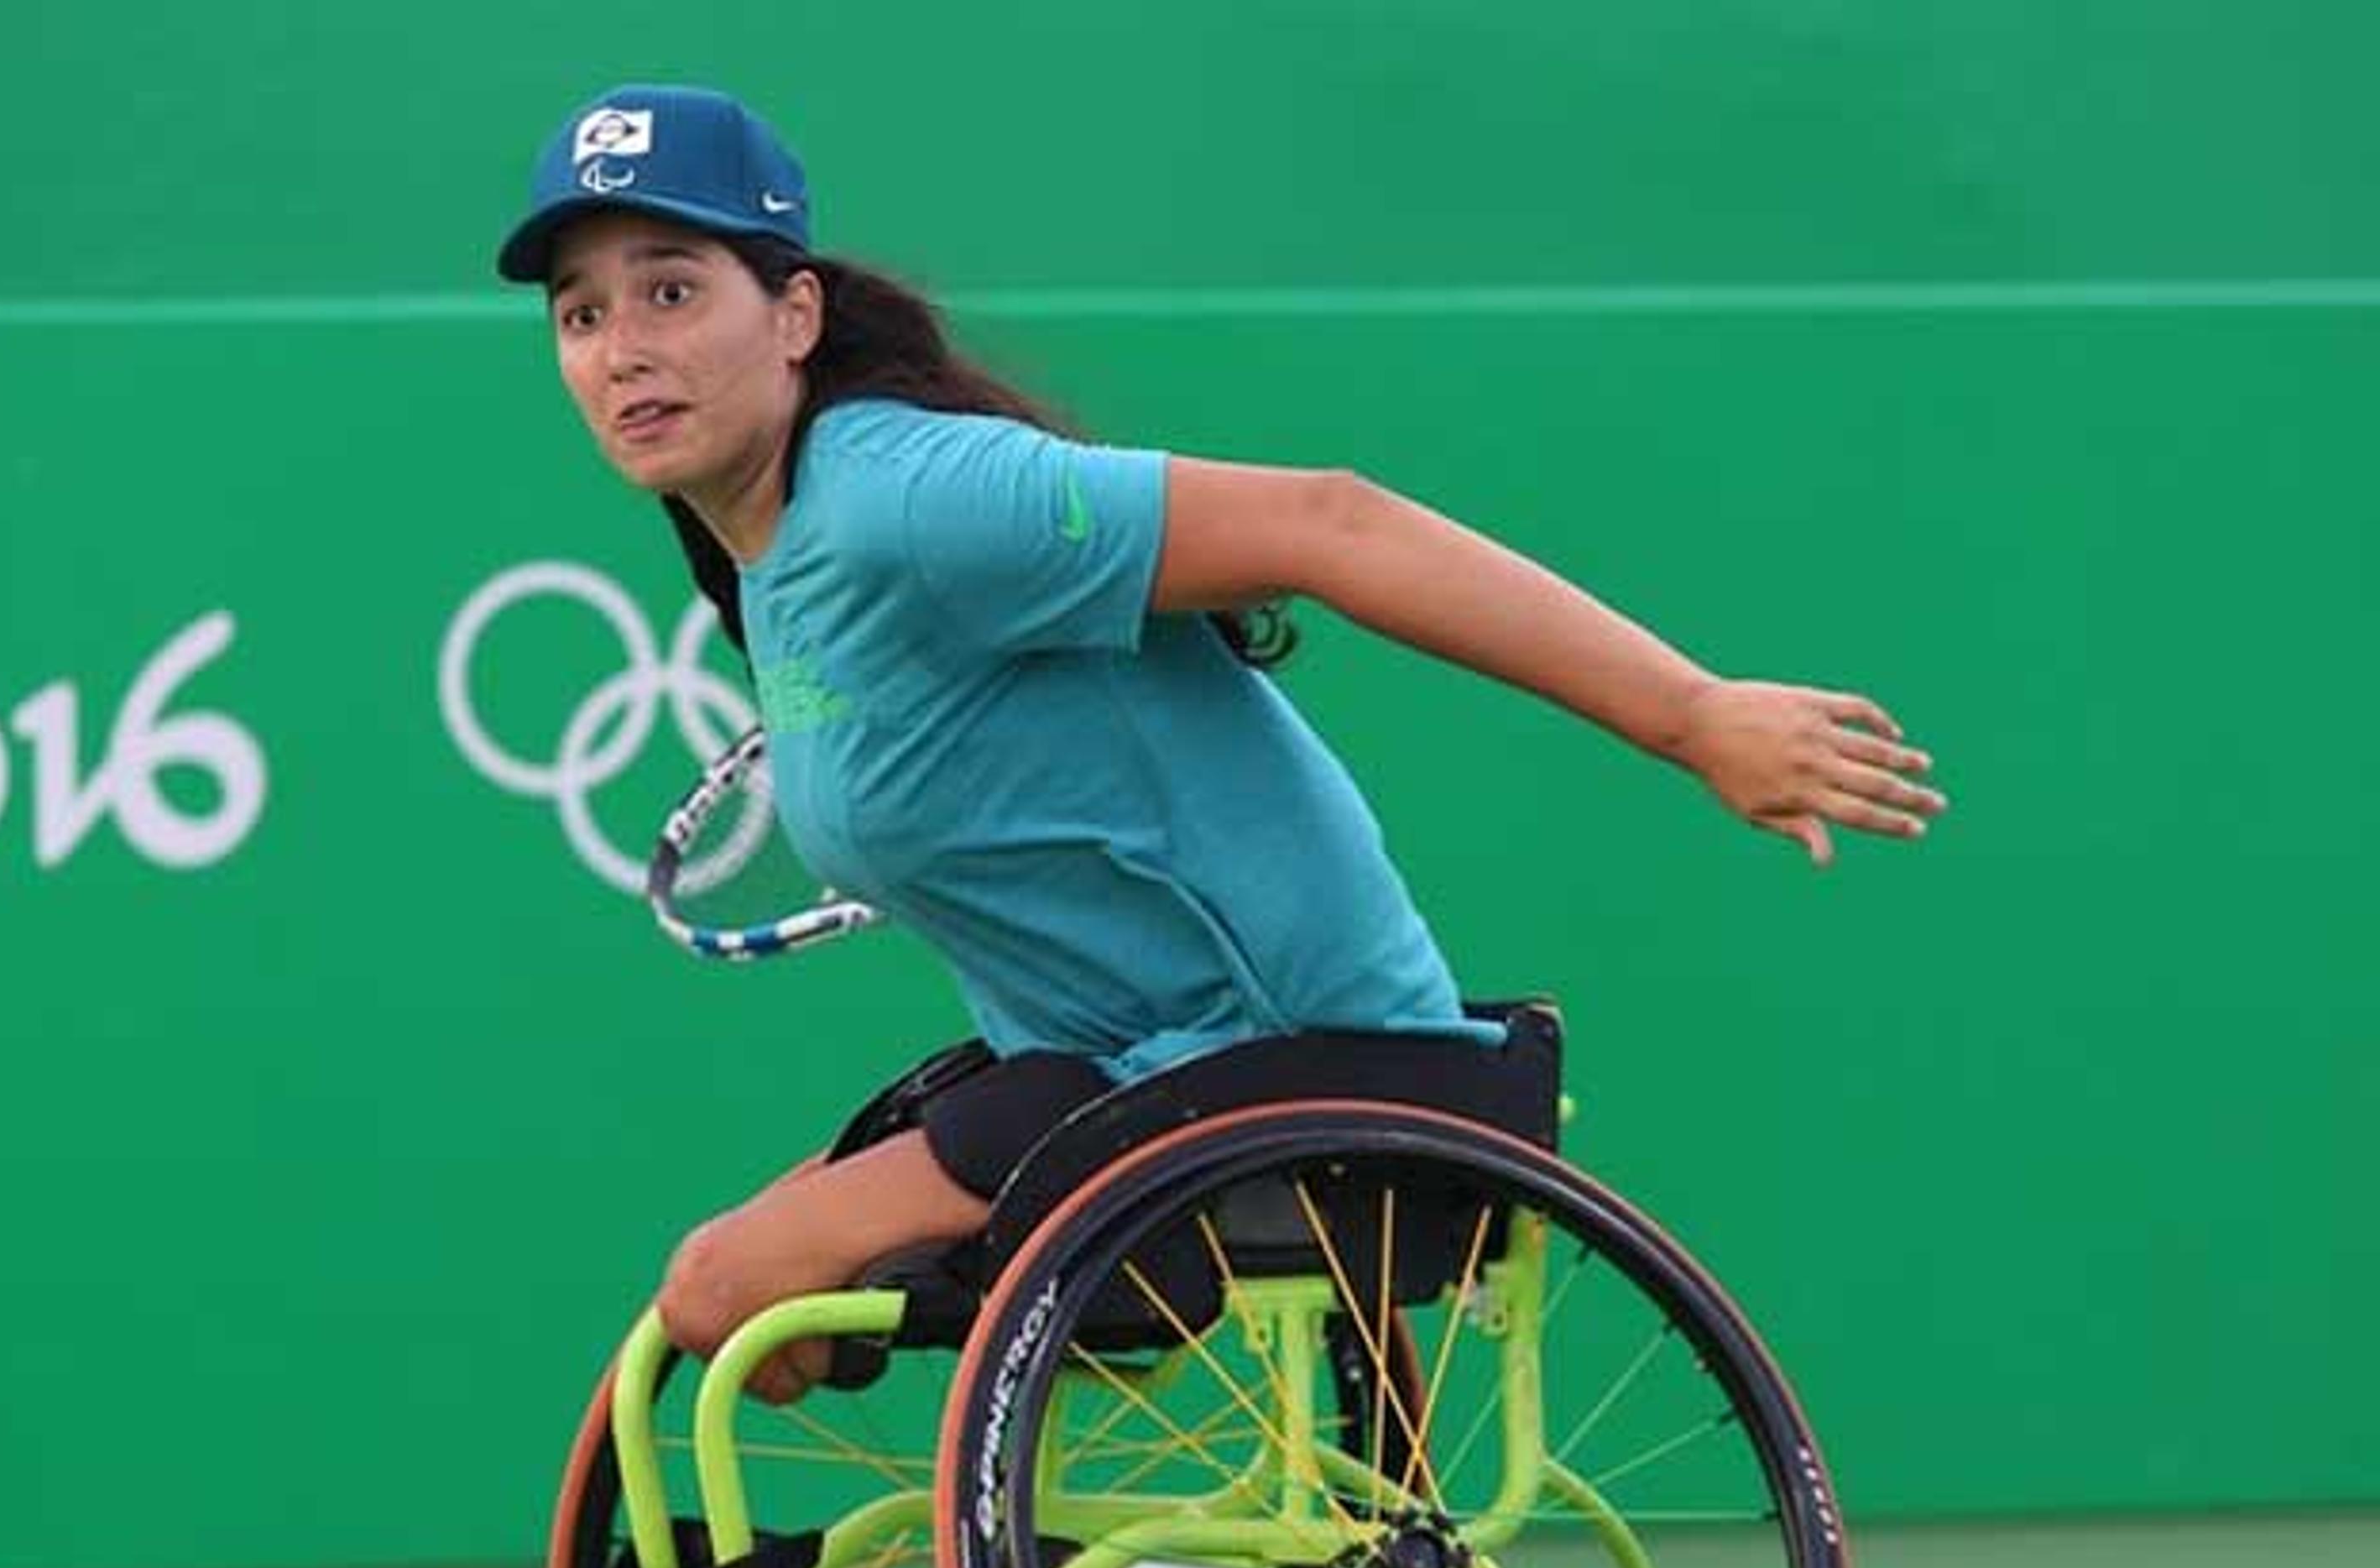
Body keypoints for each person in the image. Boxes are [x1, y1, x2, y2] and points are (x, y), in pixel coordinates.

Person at [498, 85, 1946, 1403]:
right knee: (744, 1319)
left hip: (1269, 1057)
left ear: (796, 315)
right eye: (583, 315)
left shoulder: (911, 497)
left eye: (672, 292)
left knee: (726, 1287)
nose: (626, 352)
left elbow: (1333, 522)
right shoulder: (776, 558)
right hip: (1102, 1069)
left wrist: (1693, 717)